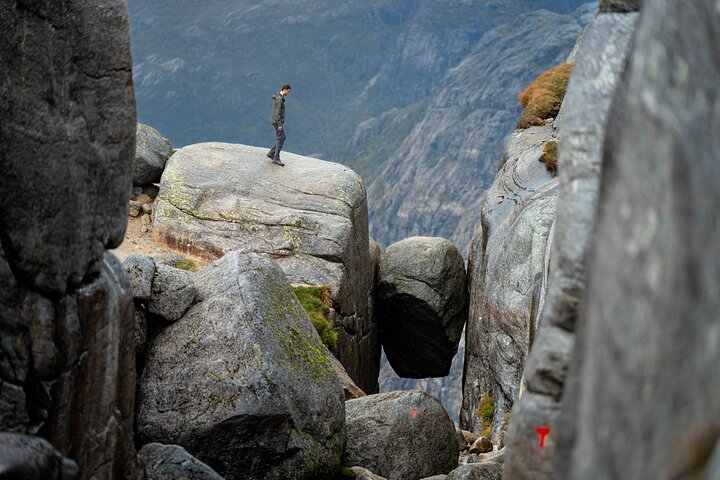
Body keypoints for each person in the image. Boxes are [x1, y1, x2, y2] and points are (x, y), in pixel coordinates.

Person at [267, 84, 292, 166]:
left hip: (274, 120)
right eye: (288, 91)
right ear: (284, 89)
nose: (288, 93)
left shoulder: (277, 96)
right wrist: (279, 124)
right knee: (281, 138)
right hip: (276, 121)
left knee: (282, 137)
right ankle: (276, 157)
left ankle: (271, 153)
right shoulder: (279, 99)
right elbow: (277, 112)